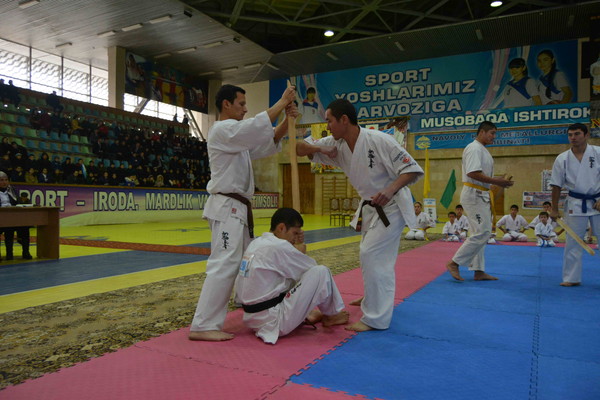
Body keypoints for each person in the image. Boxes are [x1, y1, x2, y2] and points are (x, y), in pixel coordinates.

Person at [296, 98, 424, 332]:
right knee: (370, 256)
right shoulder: (335, 143)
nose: (327, 126)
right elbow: (298, 148)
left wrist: (389, 189)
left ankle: (376, 318)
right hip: (370, 207)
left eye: (330, 121)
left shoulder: (379, 140)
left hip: (392, 204)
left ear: (344, 119)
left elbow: (412, 170)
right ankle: (372, 298)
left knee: (372, 254)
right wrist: (319, 148)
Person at [189, 84, 297, 341]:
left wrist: (287, 121)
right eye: (241, 104)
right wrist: (281, 103)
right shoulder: (221, 130)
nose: (246, 108)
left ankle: (245, 300)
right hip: (227, 208)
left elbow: (267, 142)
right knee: (224, 264)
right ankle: (203, 325)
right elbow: (253, 128)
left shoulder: (236, 139)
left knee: (245, 261)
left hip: (237, 210)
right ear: (226, 104)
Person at [234, 208, 349, 344]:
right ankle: (331, 315)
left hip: (251, 317)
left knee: (288, 275)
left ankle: (306, 315)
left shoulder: (257, 242)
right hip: (273, 320)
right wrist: (299, 246)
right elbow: (311, 271)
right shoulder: (279, 246)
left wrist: (295, 248)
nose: (294, 238)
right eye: (294, 233)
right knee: (321, 272)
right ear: (281, 228)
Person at [445, 121, 514, 281]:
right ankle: (454, 263)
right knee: (483, 232)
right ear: (482, 132)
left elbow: (482, 177)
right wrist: (497, 181)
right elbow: (473, 173)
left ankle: (478, 270)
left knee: (479, 232)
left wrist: (499, 183)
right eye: (492, 133)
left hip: (481, 194)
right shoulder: (474, 148)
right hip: (473, 194)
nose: (494, 137)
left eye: (495, 134)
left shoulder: (483, 150)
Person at [549, 123, 600, 287]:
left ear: (586, 135)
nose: (573, 137)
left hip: (598, 201)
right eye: (570, 135)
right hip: (575, 203)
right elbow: (556, 185)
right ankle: (571, 278)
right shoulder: (562, 158)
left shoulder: (598, 153)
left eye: (577, 134)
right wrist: (554, 208)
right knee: (573, 241)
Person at [0, 171, 32, 261]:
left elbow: (17, 203)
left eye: (6, 180)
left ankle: (26, 252)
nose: (4, 182)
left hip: (12, 217)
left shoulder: (12, 190)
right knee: (8, 230)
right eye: (1, 180)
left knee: (25, 228)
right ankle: (9, 254)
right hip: (1, 219)